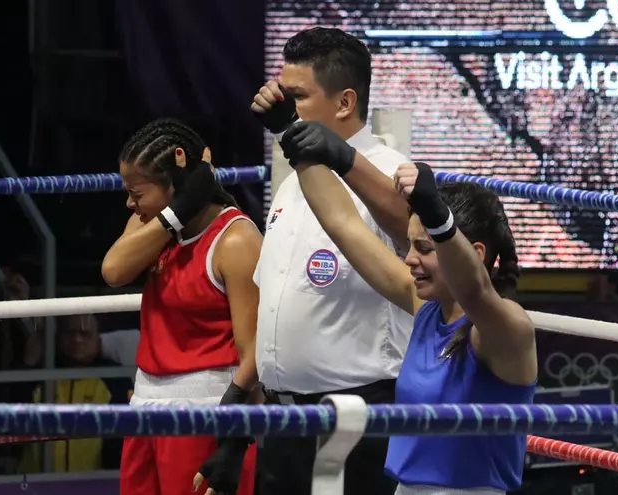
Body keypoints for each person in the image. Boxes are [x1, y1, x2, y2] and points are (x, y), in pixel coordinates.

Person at [279, 121, 538, 495]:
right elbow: (343, 224)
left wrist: (439, 216)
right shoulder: (427, 310)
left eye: (425, 248)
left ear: (477, 254)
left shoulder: (505, 327)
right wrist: (297, 140)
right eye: (411, 246)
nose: (410, 260)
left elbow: (476, 292)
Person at [250, 26, 412, 495]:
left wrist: (295, 134)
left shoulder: (389, 169)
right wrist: (240, 404)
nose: (279, 104)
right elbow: (274, 301)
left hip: (357, 415)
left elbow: (408, 221)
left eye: (295, 96)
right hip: (283, 419)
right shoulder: (288, 183)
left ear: (344, 103)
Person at [101, 118, 262, 495]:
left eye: (137, 193)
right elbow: (114, 270)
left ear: (174, 182)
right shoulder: (154, 228)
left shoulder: (235, 240)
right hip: (145, 407)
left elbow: (254, 349)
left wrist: (235, 436)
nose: (130, 203)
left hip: (204, 412)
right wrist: (178, 211)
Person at [16, 314, 132, 473]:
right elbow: (12, 419)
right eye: (70, 332)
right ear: (58, 337)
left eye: (85, 334)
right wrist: (27, 364)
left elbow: (124, 440)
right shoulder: (41, 374)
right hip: (34, 484)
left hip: (93, 486)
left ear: (98, 340)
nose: (77, 339)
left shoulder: (115, 378)